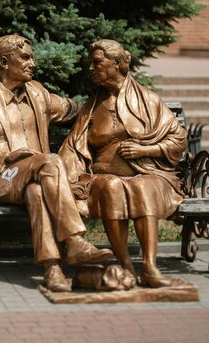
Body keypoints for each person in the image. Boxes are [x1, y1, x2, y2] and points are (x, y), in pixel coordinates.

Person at [0, 34, 113, 293]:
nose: (33, 63)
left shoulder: (37, 92)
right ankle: (74, 240)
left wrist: (112, 99)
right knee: (49, 162)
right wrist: (4, 157)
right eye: (25, 57)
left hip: (39, 177)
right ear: (4, 62)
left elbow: (75, 109)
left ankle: (52, 270)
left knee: (36, 191)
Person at [59, 39, 187, 288]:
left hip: (148, 173)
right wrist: (66, 176)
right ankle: (126, 265)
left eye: (97, 63)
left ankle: (149, 268)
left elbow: (178, 139)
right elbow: (74, 146)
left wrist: (146, 149)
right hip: (101, 178)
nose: (91, 69)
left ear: (117, 63)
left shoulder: (148, 101)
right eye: (91, 64)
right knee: (112, 187)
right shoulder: (92, 107)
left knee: (144, 188)